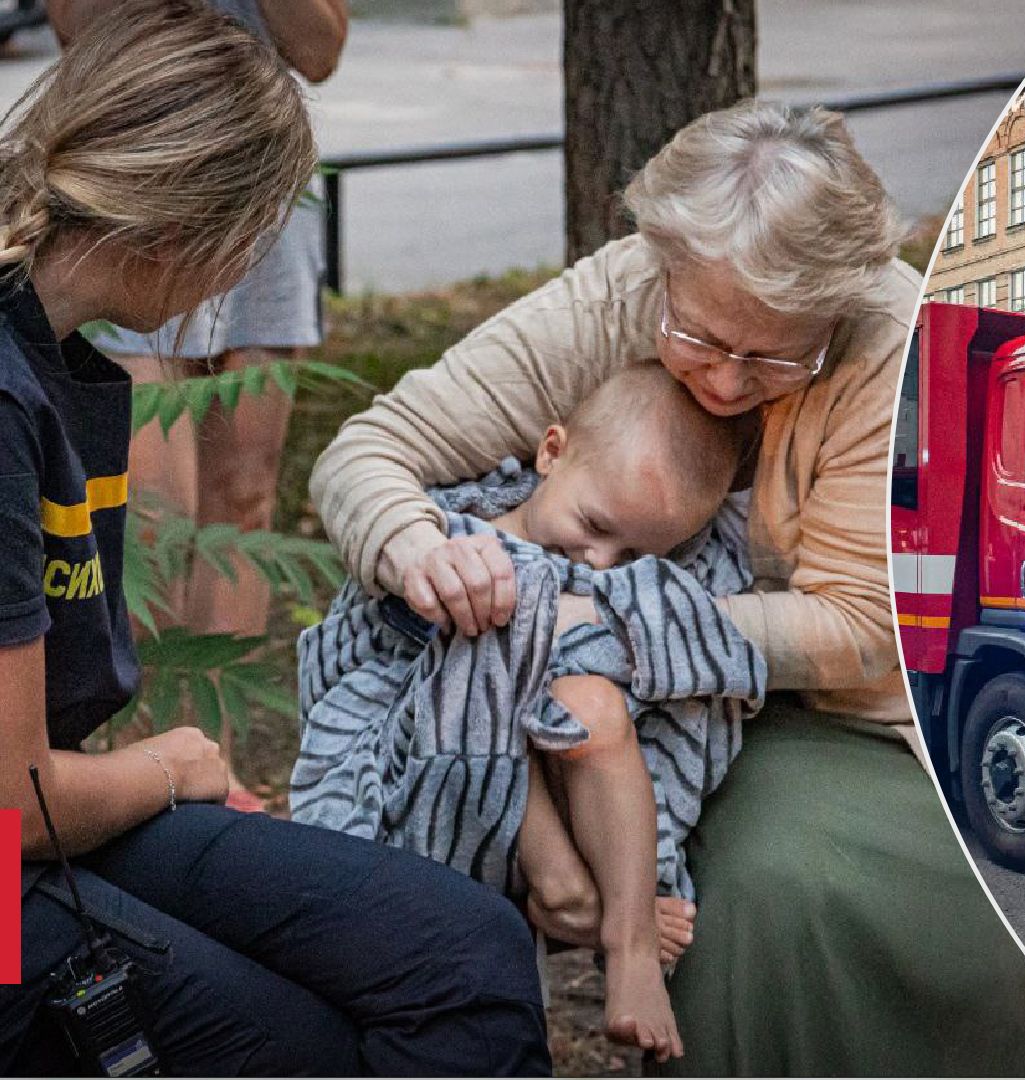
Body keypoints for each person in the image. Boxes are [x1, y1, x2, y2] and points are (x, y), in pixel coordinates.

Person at [312, 99, 1025, 1076]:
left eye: (772, 354)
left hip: (852, 715)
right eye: (699, 338)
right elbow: (372, 453)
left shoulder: (891, 341)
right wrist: (416, 548)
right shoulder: (628, 289)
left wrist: (605, 624)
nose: (724, 383)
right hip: (649, 680)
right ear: (664, 263)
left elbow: (858, 630)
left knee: (764, 894)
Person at [0, 5, 549, 1074]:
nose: (241, 276)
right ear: (181, 234)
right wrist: (169, 767)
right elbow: (13, 807)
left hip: (49, 825)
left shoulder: (45, 347)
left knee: (470, 952)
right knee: (320, 1041)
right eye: (250, 238)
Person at [295, 365, 763, 1061]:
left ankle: (626, 942)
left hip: (578, 793)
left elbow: (689, 665)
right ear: (551, 452)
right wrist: (530, 627)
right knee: (489, 629)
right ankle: (571, 893)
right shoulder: (455, 533)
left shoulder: (613, 576)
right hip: (430, 784)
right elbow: (379, 670)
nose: (602, 563)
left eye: (635, 554)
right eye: (596, 525)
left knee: (590, 702)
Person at [46, 0, 347, 808]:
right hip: (140, 165)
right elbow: (79, 27)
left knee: (241, 506)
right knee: (144, 516)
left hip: (251, 172)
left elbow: (319, 51)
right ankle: (129, 762)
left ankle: (211, 763)